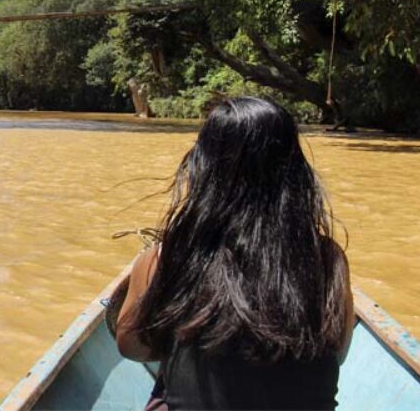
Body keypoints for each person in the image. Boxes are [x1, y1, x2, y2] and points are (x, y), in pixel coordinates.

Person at [115, 97, 355, 411]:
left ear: (204, 168)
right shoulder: (328, 260)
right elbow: (339, 354)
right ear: (295, 173)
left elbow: (132, 347)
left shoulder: (169, 256)